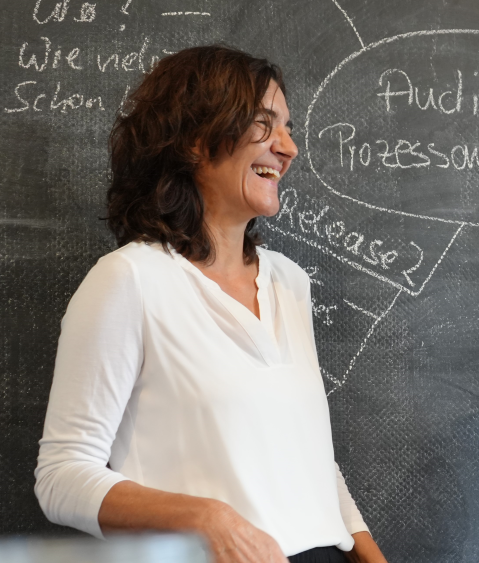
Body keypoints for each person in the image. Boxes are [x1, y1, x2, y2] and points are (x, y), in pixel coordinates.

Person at [34, 46, 387, 563]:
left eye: (287, 128)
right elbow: (62, 475)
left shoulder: (289, 282)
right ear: (197, 140)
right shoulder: (129, 280)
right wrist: (206, 517)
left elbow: (309, 457)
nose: (288, 148)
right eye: (266, 125)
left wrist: (368, 553)